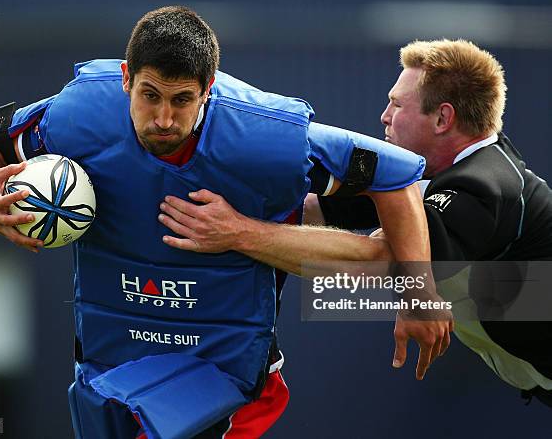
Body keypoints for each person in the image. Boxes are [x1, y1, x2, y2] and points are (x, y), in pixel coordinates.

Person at [0, 7, 446, 438]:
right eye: (149, 95)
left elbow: (396, 177)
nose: (164, 118)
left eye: (181, 100)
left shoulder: (266, 142)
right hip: (111, 369)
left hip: (219, 380)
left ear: (207, 91)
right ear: (126, 77)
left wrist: (419, 294)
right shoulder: (80, 116)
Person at [159, 39, 552, 407]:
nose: (384, 116)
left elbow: (378, 262)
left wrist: (237, 232)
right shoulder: (436, 171)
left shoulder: (487, 187)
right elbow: (311, 208)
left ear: (443, 118)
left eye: (397, 105)